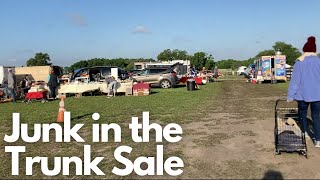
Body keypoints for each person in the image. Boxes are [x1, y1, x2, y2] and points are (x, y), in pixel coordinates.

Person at [287, 36, 320, 148]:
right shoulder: (319, 61)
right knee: (316, 116)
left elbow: (295, 81)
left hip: (302, 94)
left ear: (304, 50)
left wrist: (290, 96)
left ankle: (305, 132)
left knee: (302, 114)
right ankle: (318, 140)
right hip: (317, 94)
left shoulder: (299, 63)